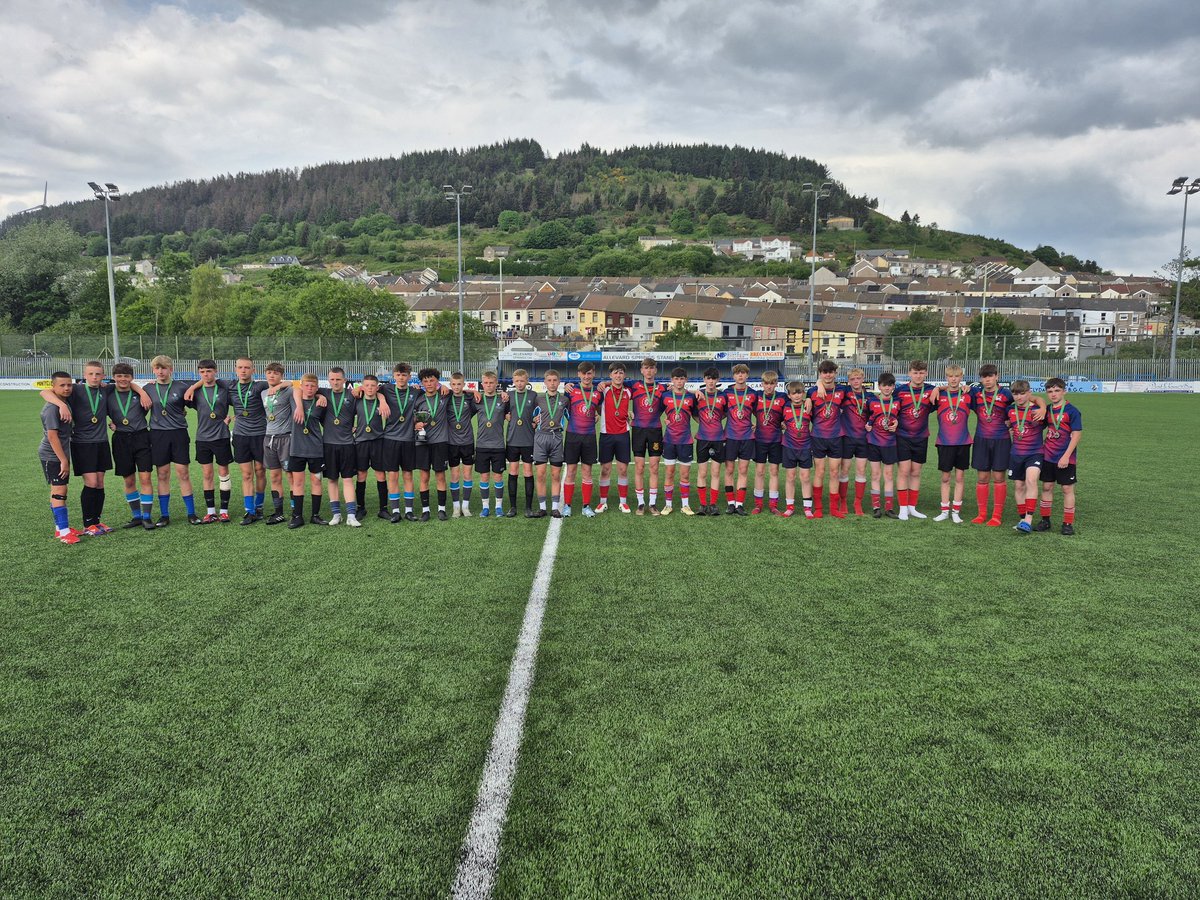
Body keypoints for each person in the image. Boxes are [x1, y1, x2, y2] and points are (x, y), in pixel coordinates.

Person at [40, 360, 148, 534]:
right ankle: (88, 524)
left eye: (98, 374)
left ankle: (97, 522)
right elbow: (45, 392)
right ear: (84, 375)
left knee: (100, 483)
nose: (94, 377)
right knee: (91, 482)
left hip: (101, 442)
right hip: (82, 444)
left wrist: (142, 392)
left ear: (103, 376)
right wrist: (61, 405)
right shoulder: (76, 390)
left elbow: (128, 383)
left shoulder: (106, 389)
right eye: (90, 374)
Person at [186, 357, 268, 524]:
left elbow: (285, 385)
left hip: (260, 434)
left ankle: (258, 506)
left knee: (260, 471)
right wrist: (193, 387)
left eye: (247, 367)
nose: (243, 370)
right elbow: (207, 380)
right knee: (246, 474)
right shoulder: (229, 385)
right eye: (240, 367)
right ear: (235, 370)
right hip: (240, 435)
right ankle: (249, 511)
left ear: (253, 370)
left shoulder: (261, 386)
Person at [146, 355, 199, 526]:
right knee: (162, 474)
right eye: (157, 368)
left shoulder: (181, 387)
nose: (160, 371)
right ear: (153, 370)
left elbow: (200, 401)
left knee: (183, 473)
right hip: (158, 434)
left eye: (164, 368)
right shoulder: (148, 388)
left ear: (171, 369)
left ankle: (191, 513)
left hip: (178, 433)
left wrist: (193, 387)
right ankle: (164, 515)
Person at [106, 362, 156, 529]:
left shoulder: (141, 393)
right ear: (113, 377)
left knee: (145, 478)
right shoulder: (108, 392)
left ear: (132, 377)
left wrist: (142, 391)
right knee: (128, 480)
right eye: (119, 376)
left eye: (126, 376)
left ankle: (147, 517)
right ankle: (136, 517)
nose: (123, 379)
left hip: (141, 437)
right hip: (121, 439)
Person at [187, 359, 234, 524]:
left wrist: (232, 418)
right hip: (202, 438)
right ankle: (211, 512)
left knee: (223, 473)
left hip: (221, 437)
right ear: (199, 373)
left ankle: (224, 511)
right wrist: (193, 387)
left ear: (215, 371)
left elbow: (241, 404)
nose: (206, 374)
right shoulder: (196, 391)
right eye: (202, 372)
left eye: (209, 371)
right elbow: (181, 403)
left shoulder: (224, 390)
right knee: (207, 474)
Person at [967, 364, 1014, 526]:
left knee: (999, 478)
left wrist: (1041, 406)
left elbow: (1026, 401)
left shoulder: (1006, 394)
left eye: (990, 376)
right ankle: (982, 514)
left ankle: (996, 515)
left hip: (1002, 440)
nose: (987, 380)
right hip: (982, 439)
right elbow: (953, 387)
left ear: (997, 376)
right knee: (982, 478)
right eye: (984, 377)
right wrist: (939, 388)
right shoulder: (976, 393)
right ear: (981, 379)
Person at [1036, 377, 1082, 535]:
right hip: (1048, 455)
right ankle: (1045, 520)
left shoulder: (1072, 411)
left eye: (1057, 390)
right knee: (1046, 487)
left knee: (1067, 488)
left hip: (1065, 457)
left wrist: (1066, 456)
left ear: (1064, 391)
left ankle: (1067, 524)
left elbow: (1076, 435)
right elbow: (1037, 426)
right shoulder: (1047, 410)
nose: (1053, 394)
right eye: (1050, 391)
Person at [894, 360, 938, 521]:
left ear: (926, 373)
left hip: (921, 437)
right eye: (915, 372)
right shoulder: (900, 391)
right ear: (909, 373)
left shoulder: (931, 390)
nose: (918, 376)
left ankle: (912, 507)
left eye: (921, 373)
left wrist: (939, 388)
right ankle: (902, 508)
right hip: (902, 436)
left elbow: (953, 389)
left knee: (916, 472)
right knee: (904, 471)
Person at [318, 367, 360, 526]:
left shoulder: (352, 395)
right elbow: (302, 389)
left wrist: (360, 388)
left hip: (348, 444)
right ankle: (336, 515)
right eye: (332, 379)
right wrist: (318, 395)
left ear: (344, 380)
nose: (335, 382)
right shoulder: (323, 393)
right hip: (328, 444)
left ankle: (351, 515)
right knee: (332, 480)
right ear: (328, 380)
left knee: (348, 479)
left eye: (338, 379)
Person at [40, 372, 79, 544]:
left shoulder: (63, 401)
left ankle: (60, 528)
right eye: (62, 385)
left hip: (59, 453)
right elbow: (52, 436)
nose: (67, 388)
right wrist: (63, 460)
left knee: (59, 490)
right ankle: (64, 532)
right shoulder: (51, 409)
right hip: (52, 455)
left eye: (69, 385)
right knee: (59, 491)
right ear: (53, 387)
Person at [286, 374, 327, 527]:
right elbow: (294, 388)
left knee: (316, 480)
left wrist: (321, 396)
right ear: (302, 385)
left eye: (313, 386)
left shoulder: (321, 403)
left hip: (315, 448)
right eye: (307, 385)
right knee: (298, 482)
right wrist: (299, 407)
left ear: (317, 388)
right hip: (297, 448)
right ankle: (297, 516)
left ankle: (315, 515)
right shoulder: (294, 398)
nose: (309, 388)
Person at [932, 364, 972, 523]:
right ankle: (944, 511)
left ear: (961, 377)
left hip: (963, 442)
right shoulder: (939, 395)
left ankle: (956, 511)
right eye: (950, 376)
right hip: (944, 442)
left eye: (956, 376)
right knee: (945, 478)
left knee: (960, 477)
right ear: (946, 377)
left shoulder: (968, 394)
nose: (953, 379)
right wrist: (938, 388)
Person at [381, 362, 419, 522]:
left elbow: (437, 390)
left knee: (408, 475)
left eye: (404, 375)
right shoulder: (386, 389)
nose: (401, 378)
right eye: (398, 375)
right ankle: (396, 511)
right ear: (393, 376)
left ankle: (409, 511)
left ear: (409, 377)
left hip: (408, 439)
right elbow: (367, 389)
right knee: (393, 475)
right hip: (390, 439)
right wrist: (382, 400)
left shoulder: (415, 392)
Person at [562, 361, 602, 517]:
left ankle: (586, 506)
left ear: (593, 373)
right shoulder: (570, 390)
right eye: (584, 373)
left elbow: (599, 409)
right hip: (572, 435)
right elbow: (563, 409)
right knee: (571, 471)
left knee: (587, 471)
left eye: (589, 373)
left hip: (589, 436)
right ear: (579, 374)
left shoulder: (598, 392)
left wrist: (596, 415)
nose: (586, 376)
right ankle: (567, 506)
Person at [1006, 380, 1046, 534]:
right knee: (1019, 486)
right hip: (1016, 453)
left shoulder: (1038, 410)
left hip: (1034, 452)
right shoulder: (1010, 409)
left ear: (1029, 393)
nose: (1019, 397)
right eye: (1015, 394)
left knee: (1031, 480)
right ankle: (1022, 519)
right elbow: (1008, 425)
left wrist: (1042, 406)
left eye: (1022, 394)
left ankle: (1028, 519)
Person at [807, 360, 845, 519]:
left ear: (835, 373)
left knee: (835, 472)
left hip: (836, 437)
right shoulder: (811, 392)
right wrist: (819, 385)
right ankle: (818, 508)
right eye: (824, 372)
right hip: (818, 437)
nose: (828, 375)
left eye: (831, 372)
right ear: (820, 374)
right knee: (820, 472)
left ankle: (834, 508)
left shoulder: (842, 390)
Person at [413, 367, 452, 521]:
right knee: (424, 477)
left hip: (440, 442)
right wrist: (415, 424)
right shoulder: (418, 398)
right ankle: (426, 511)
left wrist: (475, 391)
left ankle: (442, 510)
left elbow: (462, 391)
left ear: (437, 381)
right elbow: (412, 418)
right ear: (422, 383)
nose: (429, 383)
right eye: (426, 381)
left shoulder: (445, 395)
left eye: (432, 380)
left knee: (440, 476)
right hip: (423, 442)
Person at [262, 362, 297, 525]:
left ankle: (295, 511)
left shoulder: (288, 390)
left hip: (285, 438)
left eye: (276, 373)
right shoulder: (263, 393)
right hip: (269, 438)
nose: (272, 375)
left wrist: (282, 385)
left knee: (290, 475)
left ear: (281, 376)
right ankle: (278, 512)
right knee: (274, 476)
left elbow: (298, 384)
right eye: (269, 372)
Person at [350, 374, 388, 527]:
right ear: (362, 386)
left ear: (377, 387)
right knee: (361, 475)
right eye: (367, 385)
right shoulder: (357, 400)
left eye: (373, 385)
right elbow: (346, 415)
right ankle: (361, 508)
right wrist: (351, 427)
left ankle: (383, 509)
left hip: (378, 441)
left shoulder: (382, 400)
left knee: (381, 474)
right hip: (361, 441)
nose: (370, 388)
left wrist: (382, 400)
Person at [629, 357, 664, 515]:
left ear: (655, 370)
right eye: (646, 368)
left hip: (655, 431)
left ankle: (653, 503)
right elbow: (615, 385)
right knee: (640, 466)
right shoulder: (634, 385)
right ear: (641, 370)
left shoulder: (662, 388)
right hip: (638, 430)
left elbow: (679, 393)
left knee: (654, 467)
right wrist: (604, 383)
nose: (649, 371)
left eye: (651, 368)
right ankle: (641, 503)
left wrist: (696, 391)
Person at [597, 361, 633, 513]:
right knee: (605, 469)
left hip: (623, 434)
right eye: (615, 373)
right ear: (610, 375)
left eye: (621, 373)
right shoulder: (603, 389)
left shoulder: (629, 391)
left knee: (623, 469)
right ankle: (602, 502)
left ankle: (623, 502)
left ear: (624, 375)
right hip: (606, 434)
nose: (618, 375)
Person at [721, 363, 758, 515]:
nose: (740, 375)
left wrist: (758, 424)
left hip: (747, 437)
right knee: (729, 469)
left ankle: (739, 504)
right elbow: (720, 412)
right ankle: (730, 503)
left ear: (747, 375)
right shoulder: (727, 393)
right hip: (730, 436)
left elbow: (760, 412)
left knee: (743, 470)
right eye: (737, 373)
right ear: (733, 376)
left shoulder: (753, 394)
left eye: (743, 373)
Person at [660, 367, 696, 516]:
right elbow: (655, 413)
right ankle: (668, 505)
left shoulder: (692, 397)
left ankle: (685, 505)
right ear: (672, 380)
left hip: (685, 441)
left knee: (685, 475)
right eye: (676, 379)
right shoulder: (665, 396)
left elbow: (697, 416)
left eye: (681, 379)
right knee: (669, 473)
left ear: (686, 380)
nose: (679, 381)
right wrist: (664, 419)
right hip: (669, 440)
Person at [531, 369, 567, 518]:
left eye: (555, 380)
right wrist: (534, 421)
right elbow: (532, 418)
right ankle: (542, 508)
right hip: (541, 438)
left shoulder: (565, 400)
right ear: (545, 382)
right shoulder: (538, 399)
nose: (552, 383)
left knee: (555, 474)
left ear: (559, 382)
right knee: (540, 474)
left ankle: (555, 508)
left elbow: (572, 417)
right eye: (549, 380)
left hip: (556, 438)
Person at [473, 371, 508, 518]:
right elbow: (458, 391)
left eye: (491, 383)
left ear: (496, 384)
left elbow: (510, 414)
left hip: (498, 445)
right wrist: (472, 391)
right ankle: (485, 507)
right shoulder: (477, 399)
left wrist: (506, 394)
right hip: (482, 445)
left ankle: (498, 507)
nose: (488, 385)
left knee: (498, 476)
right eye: (486, 383)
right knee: (484, 477)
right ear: (482, 384)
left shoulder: (504, 399)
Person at [503, 368, 537, 518]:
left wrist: (536, 421)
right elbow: (502, 412)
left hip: (528, 439)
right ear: (513, 381)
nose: (519, 383)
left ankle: (528, 507)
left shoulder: (533, 395)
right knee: (513, 471)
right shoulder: (508, 396)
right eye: (517, 381)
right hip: (512, 439)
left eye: (522, 380)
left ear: (527, 381)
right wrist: (506, 415)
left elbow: (539, 413)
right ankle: (513, 507)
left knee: (528, 472)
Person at [693, 367, 727, 516]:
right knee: (702, 472)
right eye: (708, 378)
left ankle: (713, 504)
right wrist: (703, 423)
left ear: (717, 380)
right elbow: (694, 414)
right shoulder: (698, 396)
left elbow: (726, 413)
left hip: (718, 438)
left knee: (715, 472)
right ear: (704, 380)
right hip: (702, 438)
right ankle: (702, 505)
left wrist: (715, 421)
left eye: (713, 378)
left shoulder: (723, 396)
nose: (711, 381)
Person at [838, 368, 872, 516]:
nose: (856, 381)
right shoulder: (844, 393)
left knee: (861, 470)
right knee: (844, 470)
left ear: (863, 379)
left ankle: (858, 502)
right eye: (852, 379)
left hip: (863, 438)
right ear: (848, 381)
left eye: (858, 378)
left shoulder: (870, 396)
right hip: (847, 437)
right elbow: (824, 382)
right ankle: (843, 501)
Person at [865, 373, 900, 518]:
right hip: (874, 442)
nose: (887, 388)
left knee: (889, 475)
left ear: (893, 387)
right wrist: (868, 425)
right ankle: (876, 507)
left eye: (890, 385)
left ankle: (889, 508)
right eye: (884, 385)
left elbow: (900, 417)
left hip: (890, 443)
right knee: (875, 474)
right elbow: (867, 417)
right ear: (879, 386)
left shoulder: (897, 401)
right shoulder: (871, 401)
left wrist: (897, 423)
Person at [751, 370, 785, 515]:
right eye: (766, 383)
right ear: (762, 384)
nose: (769, 386)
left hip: (776, 439)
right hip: (759, 439)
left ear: (776, 384)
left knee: (774, 471)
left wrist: (784, 422)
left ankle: (773, 505)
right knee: (759, 471)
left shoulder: (783, 397)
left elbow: (790, 411)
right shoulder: (757, 396)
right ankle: (758, 504)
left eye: (772, 383)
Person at [780, 380, 814, 518]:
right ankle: (789, 507)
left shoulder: (809, 406)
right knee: (790, 477)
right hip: (789, 446)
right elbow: (777, 420)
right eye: (794, 393)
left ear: (803, 393)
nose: (797, 396)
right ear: (789, 395)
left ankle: (807, 508)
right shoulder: (785, 407)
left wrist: (809, 399)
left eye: (799, 393)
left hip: (805, 446)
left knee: (805, 477)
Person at [446, 371, 476, 517]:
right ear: (450, 385)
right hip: (452, 442)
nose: (456, 387)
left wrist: (474, 391)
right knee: (455, 474)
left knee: (467, 474)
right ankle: (456, 507)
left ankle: (466, 506)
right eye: (453, 384)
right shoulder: (446, 398)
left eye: (459, 384)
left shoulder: (470, 398)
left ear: (463, 384)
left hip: (467, 441)